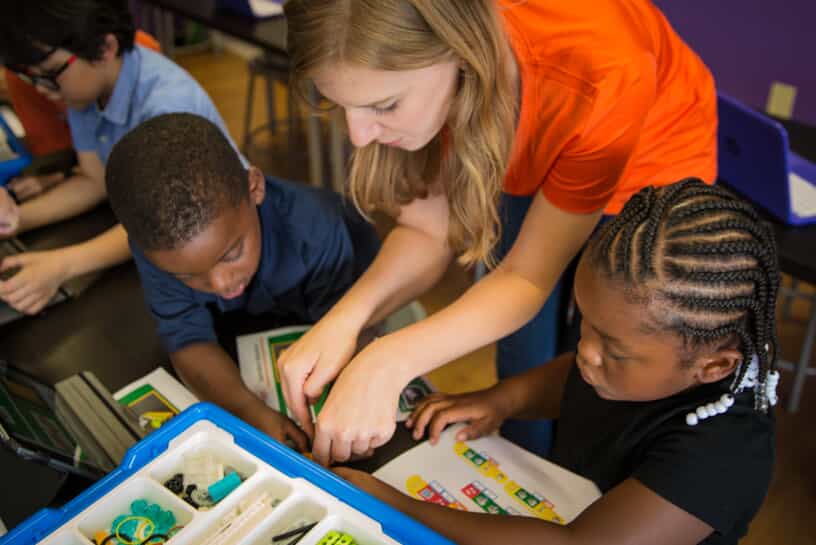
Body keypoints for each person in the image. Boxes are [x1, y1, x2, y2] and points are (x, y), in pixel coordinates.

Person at [277, 0, 719, 463]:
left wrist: (388, 362)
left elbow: (526, 278)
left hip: (646, 160)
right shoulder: (439, 66)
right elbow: (428, 231)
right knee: (520, 352)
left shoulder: (600, 66)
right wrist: (345, 321)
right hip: (528, 110)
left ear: (460, 54)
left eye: (384, 105)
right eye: (343, 106)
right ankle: (524, 467)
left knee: (599, 366)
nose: (359, 136)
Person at [335, 179, 778, 545]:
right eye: (585, 323)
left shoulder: (725, 455)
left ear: (714, 368)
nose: (585, 350)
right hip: (569, 497)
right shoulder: (634, 358)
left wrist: (396, 505)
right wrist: (501, 401)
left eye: (612, 349)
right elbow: (571, 378)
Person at [105, 113, 380, 448]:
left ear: (255, 187)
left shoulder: (315, 228)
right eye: (187, 276)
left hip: (346, 322)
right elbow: (187, 339)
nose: (220, 284)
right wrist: (248, 410)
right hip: (243, 346)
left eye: (232, 253)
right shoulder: (157, 245)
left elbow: (348, 336)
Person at [0, 0, 236, 315]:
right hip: (159, 235)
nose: (43, 89)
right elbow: (93, 180)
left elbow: (166, 223)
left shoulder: (167, 106)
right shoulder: (85, 91)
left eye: (50, 74)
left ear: (105, 47)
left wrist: (62, 265)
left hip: (216, 252)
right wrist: (15, 221)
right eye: (33, 77)